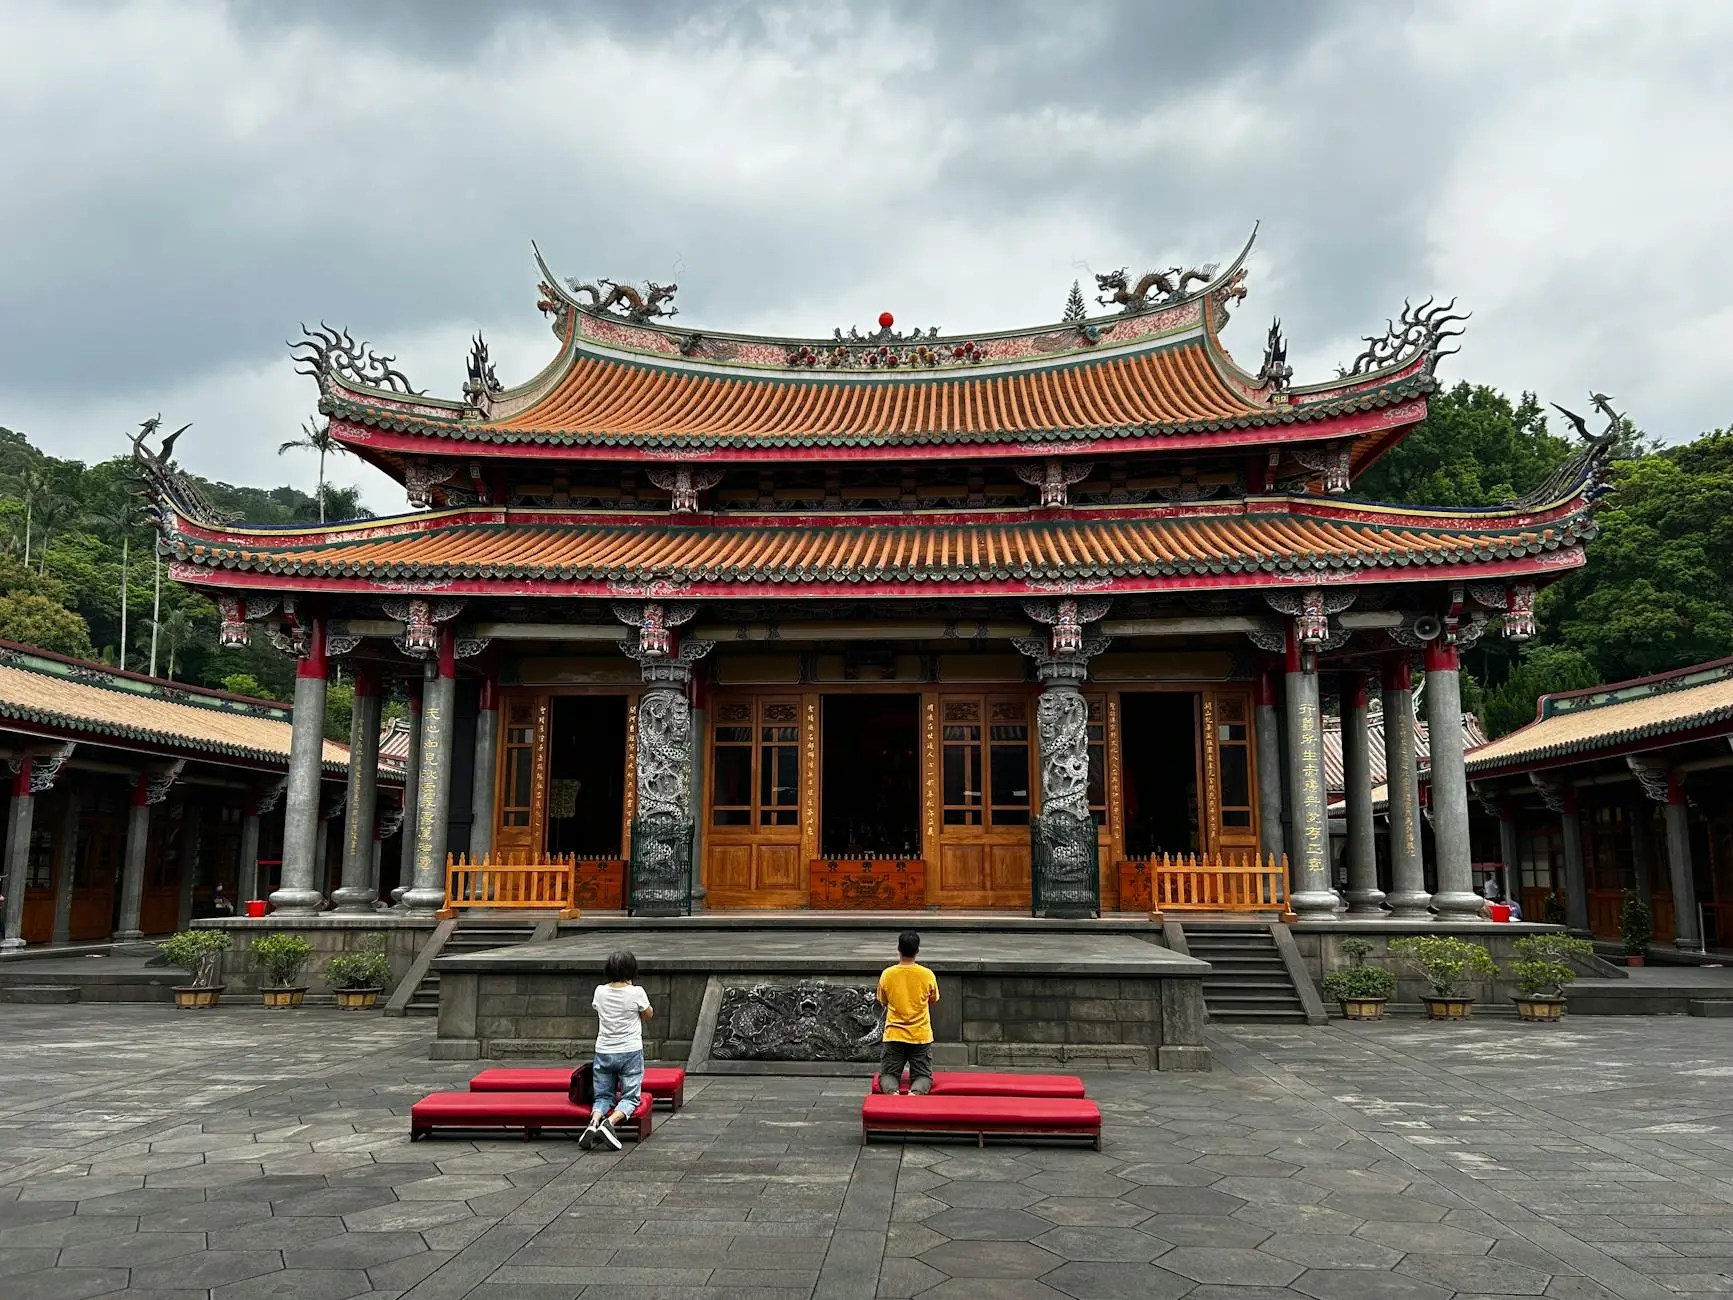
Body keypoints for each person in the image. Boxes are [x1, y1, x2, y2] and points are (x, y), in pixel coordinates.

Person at [581, 949, 652, 1151]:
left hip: (604, 1050)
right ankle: (609, 1124)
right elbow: (648, 1014)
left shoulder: (600, 991)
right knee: (630, 1097)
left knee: (603, 1096)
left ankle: (593, 1122)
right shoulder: (636, 992)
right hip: (630, 1050)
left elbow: (598, 1007)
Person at [876, 930, 940, 1095]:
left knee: (889, 1074)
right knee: (923, 1075)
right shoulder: (927, 975)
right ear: (917, 950)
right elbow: (933, 999)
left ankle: (892, 1093)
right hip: (920, 1034)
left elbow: (882, 1000)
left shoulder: (887, 974)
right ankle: (916, 1093)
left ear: (898, 948)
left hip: (894, 1033)